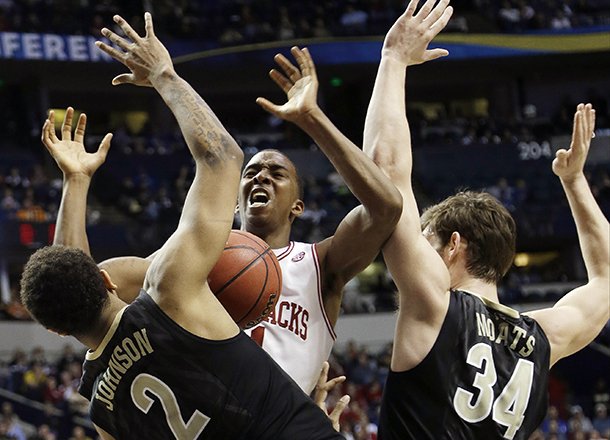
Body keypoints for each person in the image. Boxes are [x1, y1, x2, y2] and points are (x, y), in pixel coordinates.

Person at [21, 12, 345, 440]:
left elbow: (69, 275)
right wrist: (163, 73)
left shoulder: (102, 409)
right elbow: (223, 158)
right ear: (106, 279)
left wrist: (76, 182)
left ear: (55, 329)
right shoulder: (170, 287)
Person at [53, 23, 402, 394]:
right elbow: (75, 292)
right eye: (251, 173)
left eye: (276, 173)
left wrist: (310, 119)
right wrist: (76, 182)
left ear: (297, 206)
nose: (260, 178)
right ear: (235, 202)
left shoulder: (321, 264)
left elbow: (385, 206)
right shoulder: (189, 260)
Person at [362, 0, 610, 439]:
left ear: (453, 245)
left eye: (427, 241)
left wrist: (393, 59)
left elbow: (384, 176)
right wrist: (574, 182)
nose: (420, 250)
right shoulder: (542, 339)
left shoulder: (436, 306)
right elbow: (606, 279)